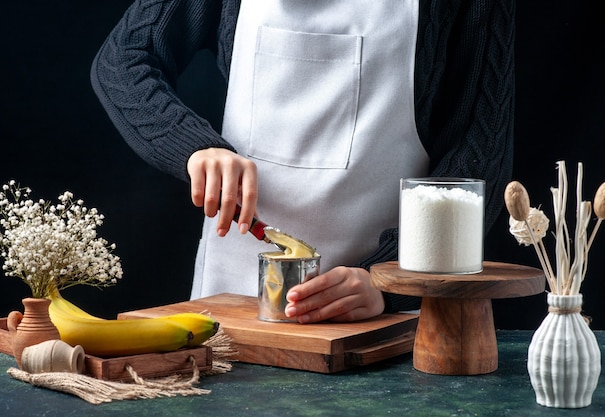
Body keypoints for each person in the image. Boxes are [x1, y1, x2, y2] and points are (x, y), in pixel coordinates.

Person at [91, 0, 515, 323]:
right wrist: (194, 146)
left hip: (384, 313)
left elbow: (477, 160)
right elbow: (123, 58)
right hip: (230, 301)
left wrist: (389, 281)